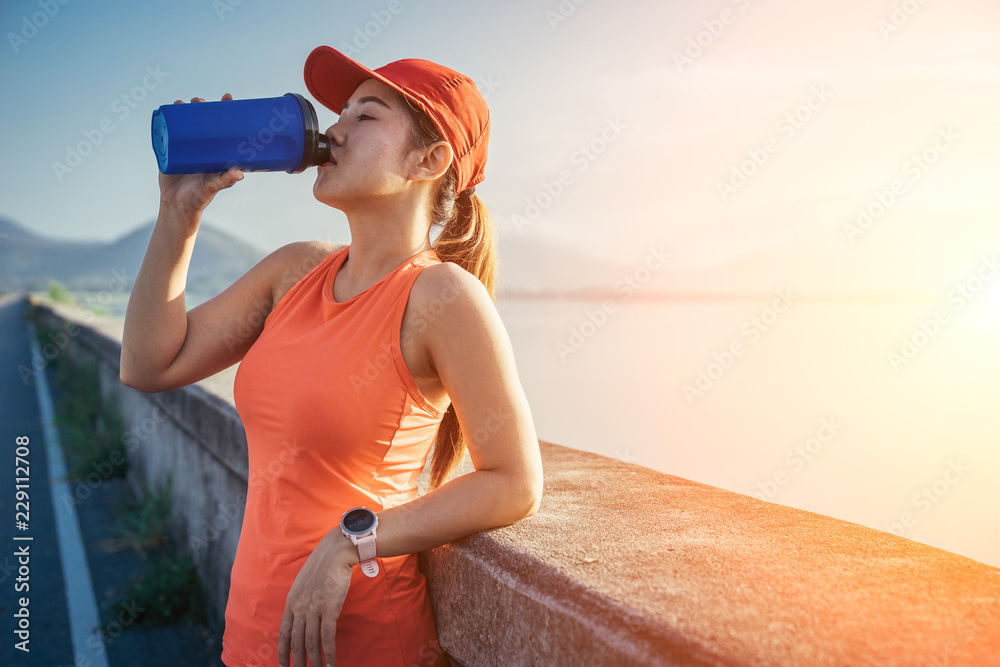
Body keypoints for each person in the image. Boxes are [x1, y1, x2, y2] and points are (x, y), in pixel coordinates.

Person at [120, 45, 544, 667]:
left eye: (365, 116)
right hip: (255, 628)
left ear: (429, 160)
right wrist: (178, 214)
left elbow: (513, 482)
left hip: (365, 637)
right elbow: (147, 365)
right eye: (338, 112)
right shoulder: (293, 271)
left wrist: (351, 544)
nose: (333, 129)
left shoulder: (442, 295)